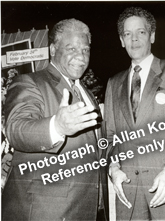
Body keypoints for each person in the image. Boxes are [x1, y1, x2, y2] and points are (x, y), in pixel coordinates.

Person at [2, 18, 108, 221]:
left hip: (85, 210)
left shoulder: (87, 94)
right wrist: (56, 126)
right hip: (46, 211)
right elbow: (16, 129)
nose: (81, 56)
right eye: (71, 48)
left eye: (85, 50)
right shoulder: (28, 82)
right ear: (52, 49)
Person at [104, 7, 165, 220]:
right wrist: (114, 166)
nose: (134, 39)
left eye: (141, 32)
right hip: (130, 199)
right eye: (128, 34)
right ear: (121, 40)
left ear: (152, 36)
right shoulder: (113, 83)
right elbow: (108, 138)